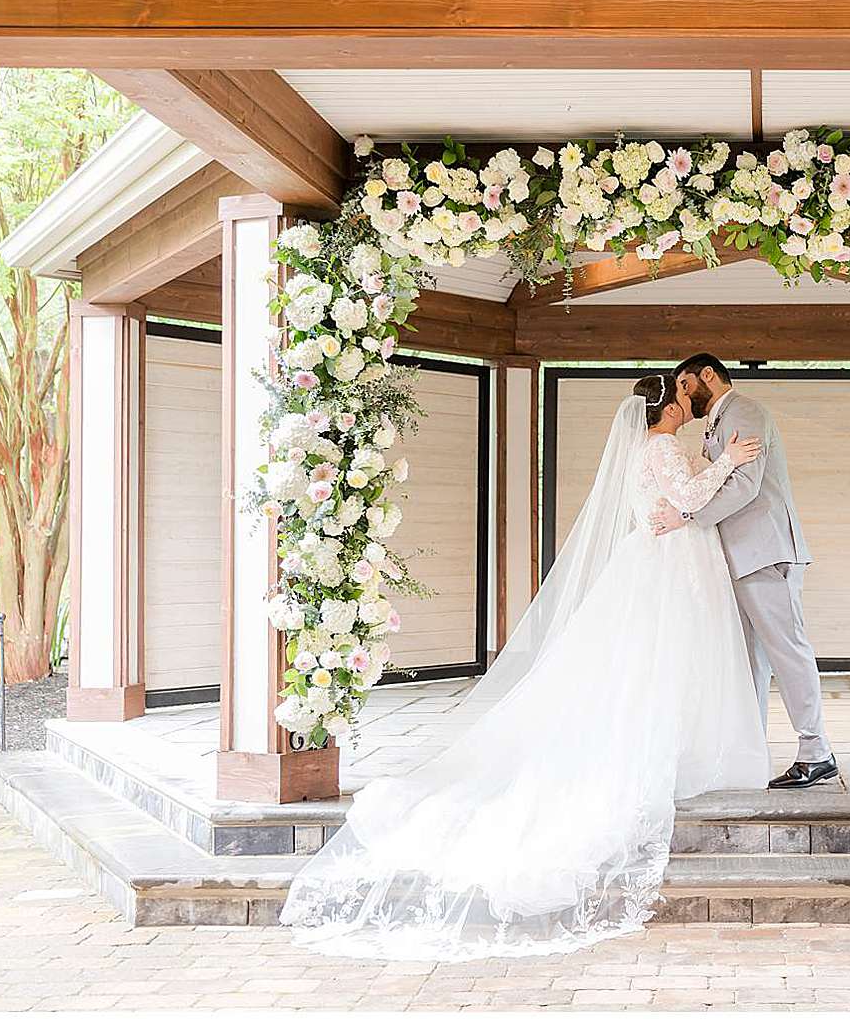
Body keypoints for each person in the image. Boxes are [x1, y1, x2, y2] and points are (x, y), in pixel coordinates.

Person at [280, 374, 770, 960]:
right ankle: (682, 749)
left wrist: (693, 498)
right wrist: (731, 462)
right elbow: (688, 501)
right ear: (665, 407)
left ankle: (686, 743)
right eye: (685, 392)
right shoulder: (662, 448)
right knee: (669, 660)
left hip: (663, 556)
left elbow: (677, 506)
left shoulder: (654, 448)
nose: (692, 399)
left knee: (661, 664)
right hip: (670, 565)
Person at [649, 353, 837, 789]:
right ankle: (749, 752)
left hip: (765, 552)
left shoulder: (746, 411)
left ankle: (817, 750)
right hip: (738, 558)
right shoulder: (717, 421)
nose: (682, 394)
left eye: (685, 384)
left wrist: (688, 517)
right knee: (749, 660)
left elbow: (745, 485)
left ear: (706, 376)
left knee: (787, 649)